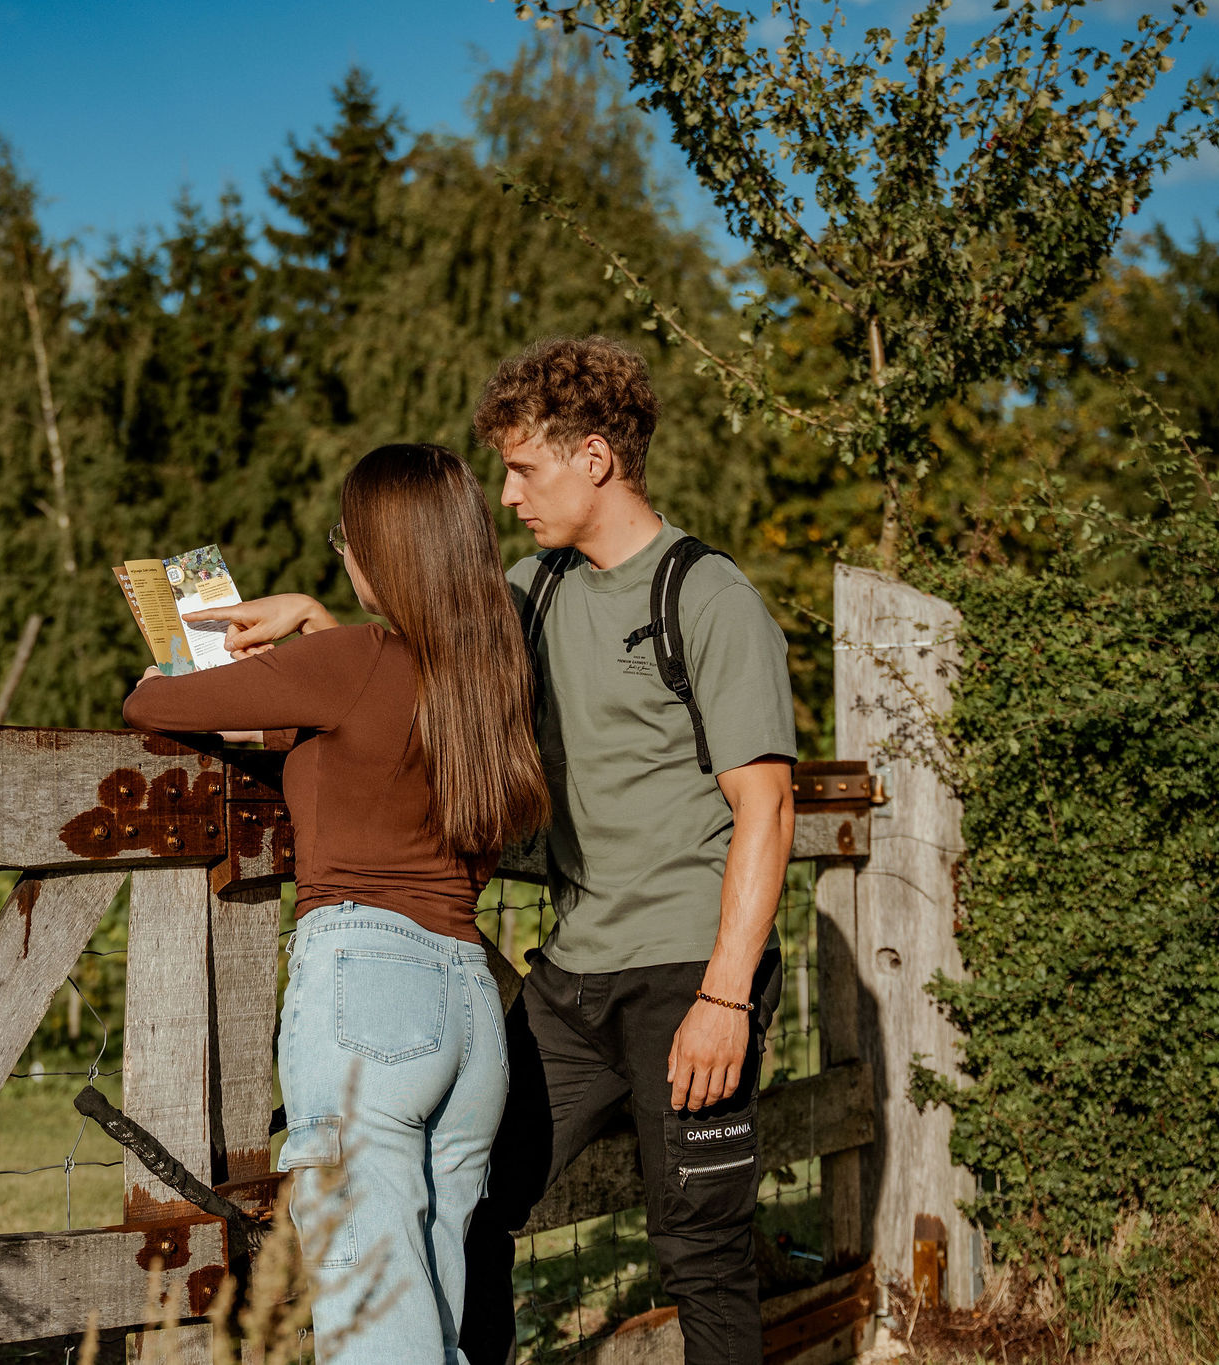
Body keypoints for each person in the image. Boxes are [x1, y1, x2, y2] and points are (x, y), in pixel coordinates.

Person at [195, 337, 796, 1365]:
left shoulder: (704, 597)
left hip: (687, 977)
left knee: (698, 1248)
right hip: (572, 976)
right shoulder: (530, 589)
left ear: (594, 457)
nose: (508, 494)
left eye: (524, 468)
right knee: (471, 1206)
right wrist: (317, 623)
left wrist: (724, 997)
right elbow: (419, 693)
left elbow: (766, 807)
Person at [124, 443, 549, 1365]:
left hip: (367, 993)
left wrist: (200, 642)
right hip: (470, 1005)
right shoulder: (492, 680)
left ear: (376, 554)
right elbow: (380, 713)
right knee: (429, 1315)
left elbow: (153, 702)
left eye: (344, 542)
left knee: (373, 1328)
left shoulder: (355, 661)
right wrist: (317, 624)